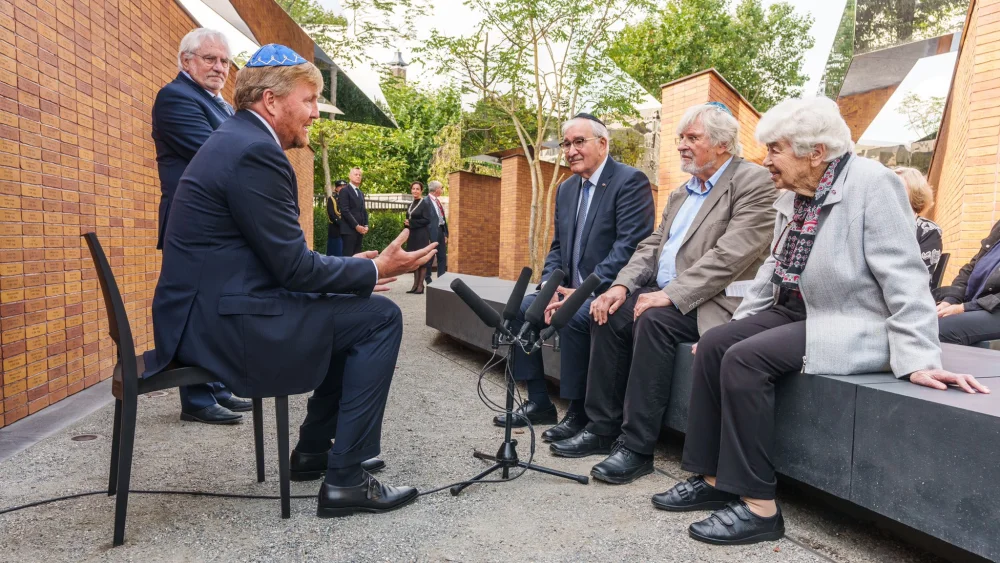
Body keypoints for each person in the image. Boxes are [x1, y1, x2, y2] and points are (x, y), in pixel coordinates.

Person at [653, 97, 988, 546]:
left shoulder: (873, 184)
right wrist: (739, 324)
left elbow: (905, 275)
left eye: (776, 149)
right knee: (716, 345)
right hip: (795, 307)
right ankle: (714, 480)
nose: (766, 159)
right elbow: (774, 269)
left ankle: (759, 507)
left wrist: (919, 357)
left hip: (848, 318)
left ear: (815, 152)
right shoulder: (794, 194)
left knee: (746, 360)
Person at [143, 44, 437, 517]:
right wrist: (375, 269)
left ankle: (314, 453)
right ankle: (345, 478)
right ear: (272, 101)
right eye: (309, 100)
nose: (315, 113)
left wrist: (351, 273)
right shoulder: (255, 152)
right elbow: (293, 269)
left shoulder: (238, 140)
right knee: (380, 317)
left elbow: (278, 257)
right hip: (223, 323)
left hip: (210, 310)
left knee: (357, 314)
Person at [558, 103, 776, 484]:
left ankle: (637, 447)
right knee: (607, 310)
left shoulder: (753, 183)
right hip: (664, 291)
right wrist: (621, 286)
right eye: (681, 138)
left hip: (715, 300)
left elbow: (732, 255)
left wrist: (671, 294)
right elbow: (651, 246)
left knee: (654, 320)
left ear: (723, 144)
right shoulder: (682, 192)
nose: (681, 146)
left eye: (692, 138)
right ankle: (601, 427)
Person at [493, 113, 655, 432]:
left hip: (609, 291)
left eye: (579, 141)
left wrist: (579, 293)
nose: (570, 150)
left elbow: (628, 249)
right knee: (519, 313)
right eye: (566, 143)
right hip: (566, 289)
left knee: (574, 315)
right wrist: (551, 285)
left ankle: (578, 411)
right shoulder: (566, 189)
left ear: (603, 143)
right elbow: (557, 247)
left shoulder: (630, 181)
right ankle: (539, 402)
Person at [151, 28, 250, 424]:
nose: (219, 68)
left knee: (213, 309)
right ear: (186, 60)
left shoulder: (223, 106)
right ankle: (195, 398)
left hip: (216, 229)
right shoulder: (175, 98)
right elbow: (217, 155)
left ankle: (216, 385)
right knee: (191, 309)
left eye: (225, 61)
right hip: (190, 227)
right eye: (210, 59)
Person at [934, 219, 1000, 346]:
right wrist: (950, 300)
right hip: (978, 304)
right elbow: (971, 268)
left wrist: (963, 308)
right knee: (922, 319)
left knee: (936, 329)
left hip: (995, 309)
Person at [894, 167, 942, 278]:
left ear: (915, 194)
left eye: (897, 187)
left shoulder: (928, 231)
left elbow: (919, 277)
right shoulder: (876, 225)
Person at [404, 181, 434, 294]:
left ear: (421, 191)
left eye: (417, 189)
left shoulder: (425, 203)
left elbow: (427, 220)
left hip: (421, 234)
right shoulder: (411, 204)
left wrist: (411, 222)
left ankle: (421, 285)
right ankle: (415, 285)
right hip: (412, 235)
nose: (415, 191)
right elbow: (409, 218)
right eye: (413, 189)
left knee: (422, 259)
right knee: (414, 259)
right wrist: (407, 224)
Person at [340, 167, 369, 256]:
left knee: (357, 256)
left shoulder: (360, 193)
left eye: (360, 175)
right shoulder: (345, 191)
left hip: (360, 231)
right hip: (349, 230)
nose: (358, 176)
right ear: (350, 176)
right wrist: (356, 225)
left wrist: (366, 225)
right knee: (348, 257)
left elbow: (363, 210)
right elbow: (345, 211)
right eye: (356, 174)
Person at [425, 180, 449, 283]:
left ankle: (441, 279)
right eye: (441, 188)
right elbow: (425, 221)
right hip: (431, 233)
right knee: (430, 257)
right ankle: (427, 278)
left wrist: (445, 233)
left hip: (440, 231)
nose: (442, 190)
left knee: (442, 256)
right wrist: (428, 237)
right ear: (436, 189)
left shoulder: (438, 201)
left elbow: (442, 218)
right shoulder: (426, 201)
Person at [324, 179, 348, 257]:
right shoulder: (332, 199)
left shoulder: (348, 200)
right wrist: (343, 224)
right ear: (336, 188)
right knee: (335, 255)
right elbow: (332, 215)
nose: (342, 188)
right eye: (340, 186)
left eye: (344, 187)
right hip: (336, 231)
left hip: (347, 232)